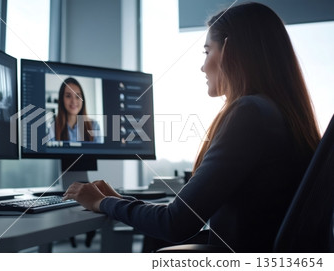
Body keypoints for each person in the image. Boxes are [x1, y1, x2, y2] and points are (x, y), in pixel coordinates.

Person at [63, 2, 321, 252]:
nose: (203, 66)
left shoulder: (249, 113)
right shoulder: (283, 115)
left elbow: (176, 223)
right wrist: (116, 202)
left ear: (229, 51)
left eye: (207, 51)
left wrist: (101, 202)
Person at [49, 77, 102, 143]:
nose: (73, 101)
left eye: (77, 96)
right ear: (62, 99)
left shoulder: (94, 126)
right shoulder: (53, 128)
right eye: (68, 96)